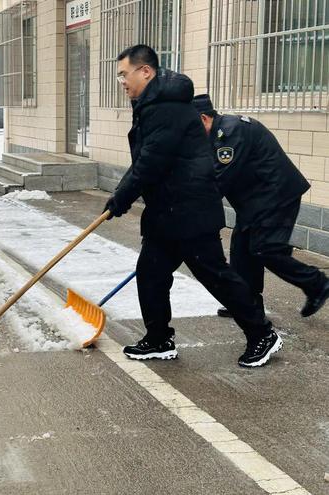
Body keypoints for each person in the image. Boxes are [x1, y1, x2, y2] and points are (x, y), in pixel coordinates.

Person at [103, 45, 280, 368]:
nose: (122, 82)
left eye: (124, 74)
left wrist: (121, 199)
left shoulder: (166, 109)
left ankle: (262, 333)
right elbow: (144, 160)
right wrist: (121, 196)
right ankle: (159, 339)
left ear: (146, 71)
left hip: (189, 210)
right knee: (151, 273)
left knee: (216, 276)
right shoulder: (151, 105)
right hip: (167, 212)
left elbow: (151, 163)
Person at [192, 94, 329, 319]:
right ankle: (247, 303)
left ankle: (317, 283)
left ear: (204, 119)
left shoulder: (229, 133)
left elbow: (218, 180)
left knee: (266, 248)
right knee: (241, 249)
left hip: (276, 195)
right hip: (257, 200)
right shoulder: (218, 133)